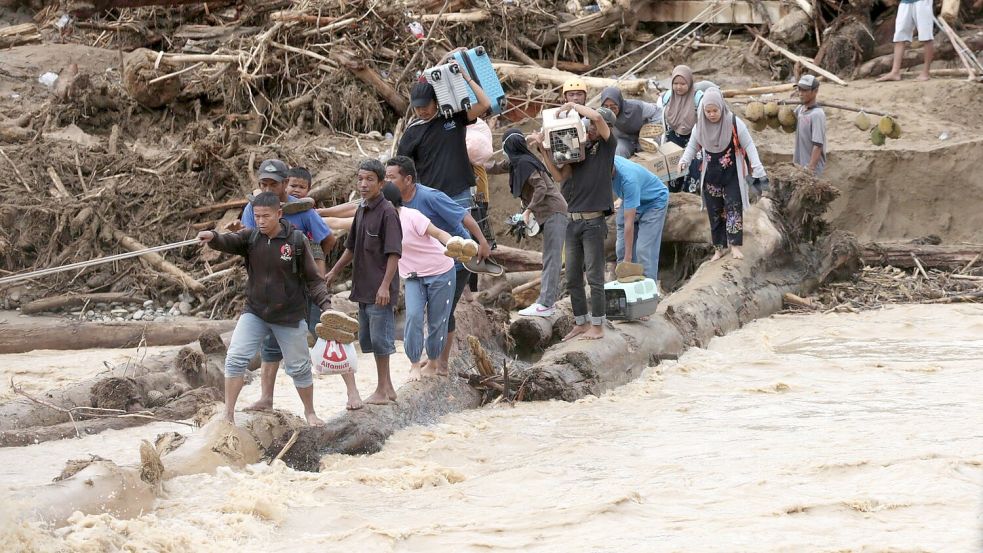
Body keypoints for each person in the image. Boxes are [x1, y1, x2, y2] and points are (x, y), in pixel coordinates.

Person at [197, 192, 331, 425]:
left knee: (299, 368)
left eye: (265, 216)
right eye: (257, 216)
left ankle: (310, 412)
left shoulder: (296, 241)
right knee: (235, 358)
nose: (260, 221)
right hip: (255, 312)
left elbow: (314, 279)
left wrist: (326, 307)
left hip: (289, 315)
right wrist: (213, 237)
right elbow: (228, 241)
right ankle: (228, 414)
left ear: (279, 214)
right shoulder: (250, 238)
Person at [236, 160, 340, 412]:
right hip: (272, 290)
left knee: (327, 330)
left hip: (304, 286)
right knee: (270, 346)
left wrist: (313, 264)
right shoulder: (254, 208)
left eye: (273, 184)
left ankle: (351, 392)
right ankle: (266, 399)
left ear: (285, 184)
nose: (268, 189)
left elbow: (328, 239)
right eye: (264, 184)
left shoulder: (302, 210)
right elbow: (248, 242)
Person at [385, 155, 491, 374]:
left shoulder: (430, 197)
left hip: (456, 258)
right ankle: (427, 358)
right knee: (417, 314)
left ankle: (441, 364)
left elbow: (463, 216)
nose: (387, 181)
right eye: (385, 177)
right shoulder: (392, 203)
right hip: (421, 264)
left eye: (391, 177)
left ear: (408, 179)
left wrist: (482, 241)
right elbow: (355, 210)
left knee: (444, 312)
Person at [533, 104, 617, 341]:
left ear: (607, 128)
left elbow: (597, 116)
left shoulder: (608, 147)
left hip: (593, 222)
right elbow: (559, 175)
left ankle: (598, 325)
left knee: (595, 276)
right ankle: (581, 322)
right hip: (573, 222)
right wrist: (542, 149)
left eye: (594, 126)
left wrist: (571, 106)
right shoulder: (581, 148)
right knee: (571, 276)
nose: (591, 128)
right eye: (588, 125)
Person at [325, 159, 402, 405]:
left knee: (381, 341)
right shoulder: (361, 210)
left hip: (380, 289)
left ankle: (381, 390)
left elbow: (394, 253)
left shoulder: (388, 212)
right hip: (363, 287)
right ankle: (388, 387)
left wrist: (385, 286)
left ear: (381, 183)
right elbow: (351, 248)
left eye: (369, 179)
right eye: (360, 179)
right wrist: (334, 271)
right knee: (369, 340)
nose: (363, 184)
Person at [677, 88, 768, 262]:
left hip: (731, 175)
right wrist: (684, 160)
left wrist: (757, 166)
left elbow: (749, 145)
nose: (711, 114)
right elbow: (692, 146)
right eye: (708, 111)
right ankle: (718, 248)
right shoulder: (699, 126)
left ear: (721, 107)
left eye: (715, 110)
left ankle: (734, 246)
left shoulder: (733, 122)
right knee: (714, 212)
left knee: (733, 208)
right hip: (711, 177)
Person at [379, 182, 457, 380]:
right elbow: (350, 221)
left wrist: (453, 244)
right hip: (413, 276)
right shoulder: (381, 222)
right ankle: (414, 364)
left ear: (389, 203)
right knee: (413, 316)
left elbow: (438, 233)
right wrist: (318, 215)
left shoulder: (411, 216)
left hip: (440, 271)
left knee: (437, 320)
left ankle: (432, 362)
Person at [489, 128, 568, 317]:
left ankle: (546, 304)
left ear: (509, 146)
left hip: (554, 211)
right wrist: (474, 162)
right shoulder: (516, 163)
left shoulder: (525, 163)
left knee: (552, 258)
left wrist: (528, 210)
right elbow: (495, 167)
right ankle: (545, 302)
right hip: (546, 213)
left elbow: (541, 187)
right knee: (548, 257)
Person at [397, 53, 491, 211]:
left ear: (436, 102)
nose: (421, 111)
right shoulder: (413, 131)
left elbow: (485, 104)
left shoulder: (454, 117)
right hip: (430, 196)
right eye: (417, 107)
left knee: (462, 228)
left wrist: (465, 76)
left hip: (460, 193)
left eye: (425, 106)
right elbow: (400, 165)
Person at [612, 156, 669, 282]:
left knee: (643, 250)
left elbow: (629, 223)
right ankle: (626, 289)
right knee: (621, 249)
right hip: (630, 196)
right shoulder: (600, 164)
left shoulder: (628, 179)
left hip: (654, 200)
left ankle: (648, 288)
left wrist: (628, 260)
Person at [660, 65, 704, 194]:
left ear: (689, 83)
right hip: (673, 140)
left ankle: (689, 197)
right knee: (674, 174)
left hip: (694, 141)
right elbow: (661, 120)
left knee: (693, 170)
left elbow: (703, 124)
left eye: (683, 84)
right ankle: (675, 196)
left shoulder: (699, 99)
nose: (678, 87)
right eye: (675, 83)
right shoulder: (666, 97)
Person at [877, 0, 935, 82]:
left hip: (922, 2)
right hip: (905, 2)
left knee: (926, 36)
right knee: (899, 36)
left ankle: (926, 73)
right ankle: (895, 72)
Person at [599, 86, 663, 158]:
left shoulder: (636, 107)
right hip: (624, 140)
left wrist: (652, 128)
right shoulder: (603, 114)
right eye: (606, 106)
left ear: (619, 103)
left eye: (613, 107)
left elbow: (657, 111)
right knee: (618, 152)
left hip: (645, 138)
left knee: (653, 147)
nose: (610, 110)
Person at [792, 75, 827, 177]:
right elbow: (788, 120)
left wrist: (810, 169)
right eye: (799, 89)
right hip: (799, 167)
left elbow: (818, 145)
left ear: (815, 91)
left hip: (810, 170)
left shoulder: (817, 115)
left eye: (805, 90)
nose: (801, 93)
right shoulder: (800, 109)